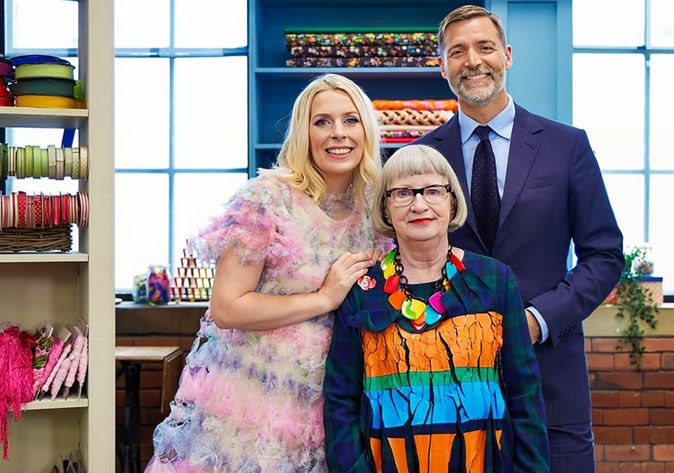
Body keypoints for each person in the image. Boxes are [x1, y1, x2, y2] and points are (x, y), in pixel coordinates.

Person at [415, 6, 625, 472]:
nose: (473, 60)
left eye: (485, 47)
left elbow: (604, 255)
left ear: (506, 55)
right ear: (443, 66)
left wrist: (536, 320)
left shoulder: (567, 145)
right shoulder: (422, 156)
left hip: (549, 374)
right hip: (451, 380)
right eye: (457, 52)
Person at [145, 74, 385, 473]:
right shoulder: (266, 199)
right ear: (302, 133)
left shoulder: (377, 209)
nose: (337, 133)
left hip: (335, 402)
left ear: (367, 129)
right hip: (254, 403)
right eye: (322, 121)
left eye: (350, 120)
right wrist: (323, 298)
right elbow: (227, 307)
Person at [323, 144, 549, 473]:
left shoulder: (495, 280)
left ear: (452, 200)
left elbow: (524, 392)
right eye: (402, 193)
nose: (419, 204)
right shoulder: (361, 289)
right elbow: (340, 401)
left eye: (432, 190)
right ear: (386, 208)